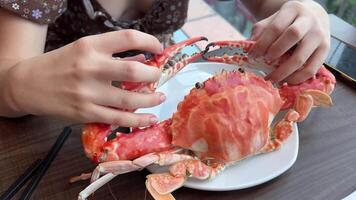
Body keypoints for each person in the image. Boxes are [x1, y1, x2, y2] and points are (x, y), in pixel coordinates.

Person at [0, 0, 330, 127]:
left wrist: (306, 11)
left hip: (163, 109)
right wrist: (16, 87)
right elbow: (7, 76)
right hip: (52, 127)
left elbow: (269, 4)